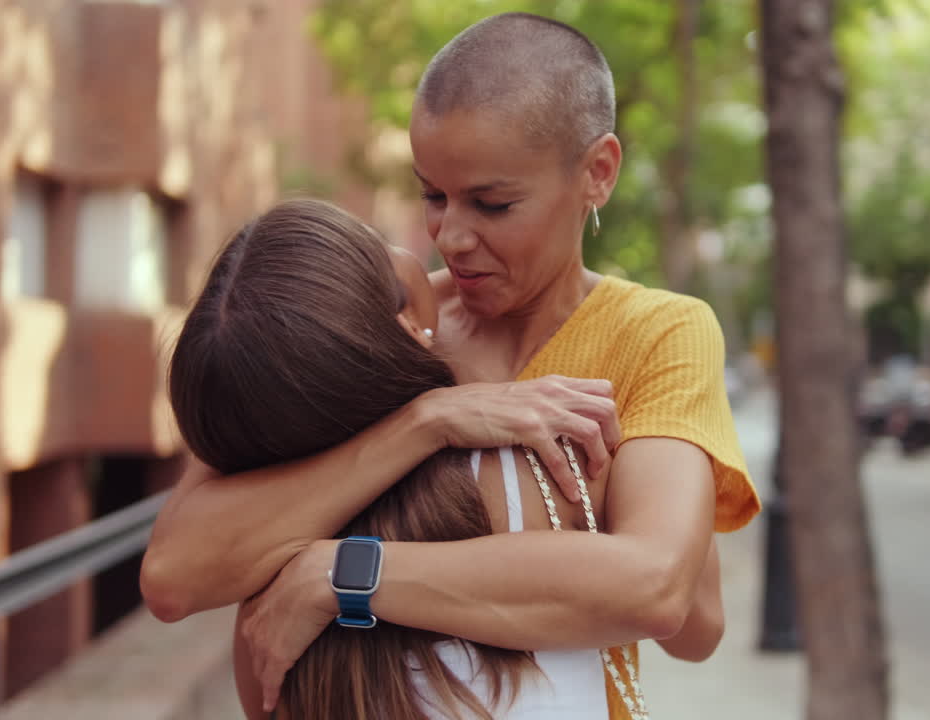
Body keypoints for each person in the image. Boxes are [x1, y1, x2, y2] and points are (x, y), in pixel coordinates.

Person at [141, 13, 760, 720]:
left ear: (598, 172)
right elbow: (174, 575)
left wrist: (343, 574)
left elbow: (675, 606)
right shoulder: (370, 325)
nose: (452, 237)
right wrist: (428, 420)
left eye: (492, 203)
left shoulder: (656, 332)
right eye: (433, 195)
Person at [168, 198, 620, 719]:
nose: (442, 245)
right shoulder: (546, 466)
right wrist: (430, 417)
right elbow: (677, 606)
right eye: (380, 246)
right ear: (406, 327)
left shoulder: (266, 602)